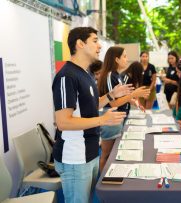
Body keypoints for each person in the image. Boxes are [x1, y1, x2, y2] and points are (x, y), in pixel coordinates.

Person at [52, 27, 132, 203]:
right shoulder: (67, 76)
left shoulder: (86, 74)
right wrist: (102, 120)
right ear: (80, 44)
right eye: (95, 41)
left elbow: (90, 106)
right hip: (75, 158)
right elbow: (63, 122)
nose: (100, 45)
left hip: (90, 152)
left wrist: (112, 95)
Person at [98, 47, 150, 172]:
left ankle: (107, 180)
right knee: (106, 154)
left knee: (112, 153)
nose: (127, 59)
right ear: (116, 59)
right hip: (111, 119)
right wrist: (133, 95)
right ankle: (102, 183)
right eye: (124, 56)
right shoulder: (111, 76)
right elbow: (113, 103)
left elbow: (122, 97)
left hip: (117, 118)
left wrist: (133, 100)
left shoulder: (117, 75)